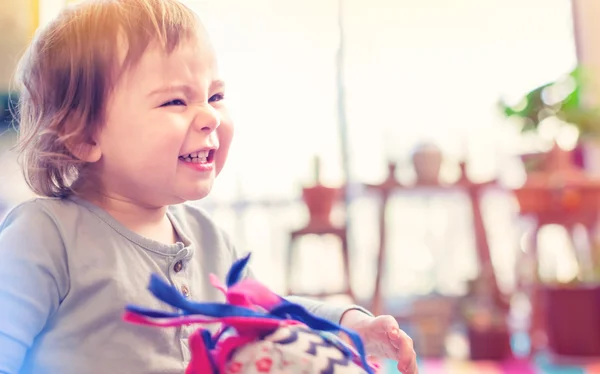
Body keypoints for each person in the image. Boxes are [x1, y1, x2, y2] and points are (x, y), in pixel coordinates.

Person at [0, 1, 417, 373]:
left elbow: (274, 314)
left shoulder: (209, 238)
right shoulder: (44, 235)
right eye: (175, 102)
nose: (210, 117)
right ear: (84, 136)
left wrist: (351, 325)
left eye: (215, 96)